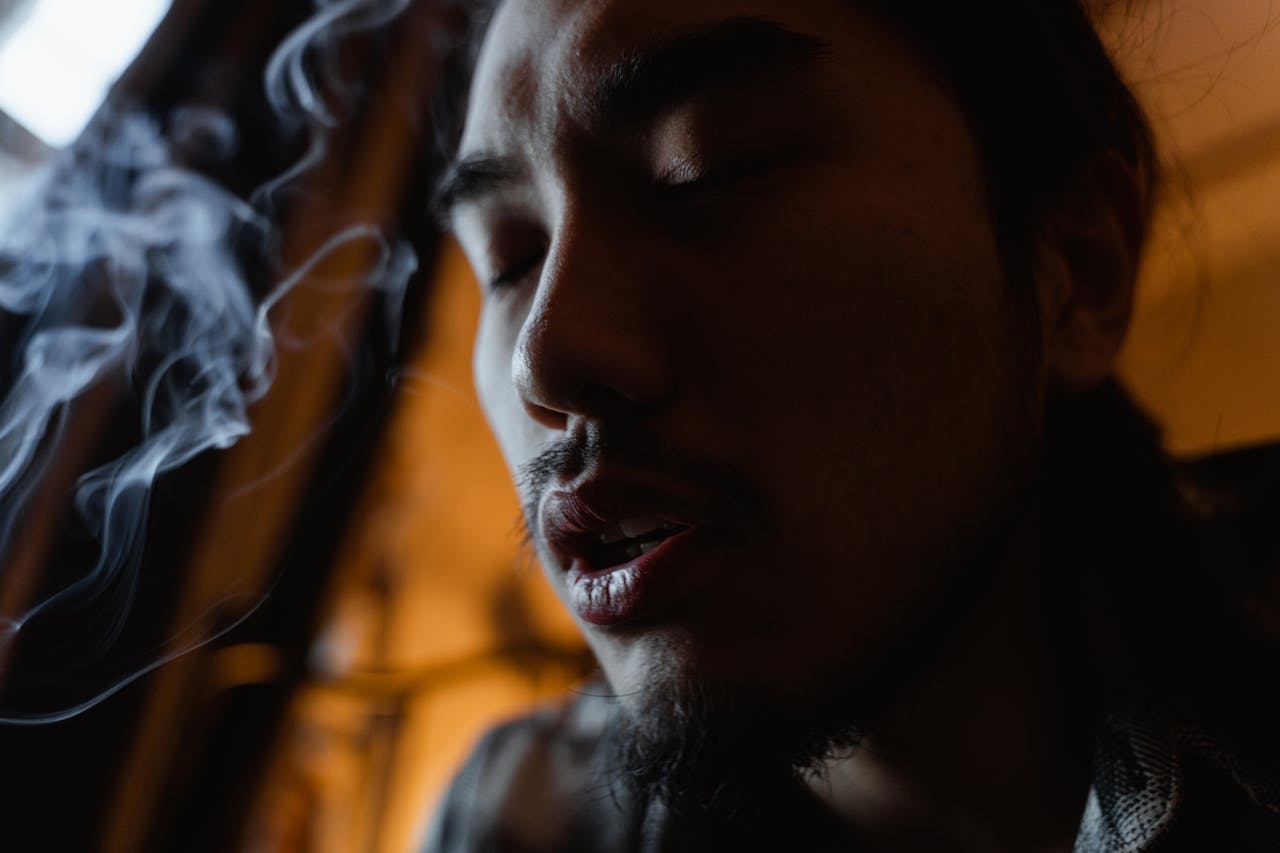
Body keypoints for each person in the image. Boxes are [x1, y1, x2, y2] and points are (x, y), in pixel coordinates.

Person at [423, 0, 1280, 850]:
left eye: (706, 171)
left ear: (1080, 266)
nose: (547, 359)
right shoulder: (518, 817)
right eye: (510, 259)